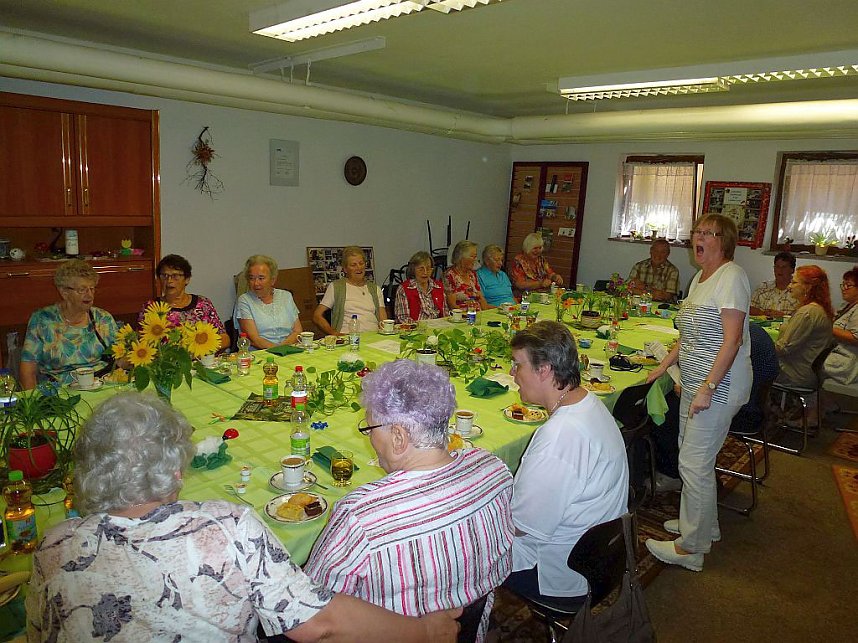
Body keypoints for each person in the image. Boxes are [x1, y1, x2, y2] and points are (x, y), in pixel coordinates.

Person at [25, 392, 461, 642]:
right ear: (176, 470)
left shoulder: (53, 546)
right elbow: (319, 623)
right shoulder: (227, 527)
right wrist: (424, 632)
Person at [305, 360, 513, 643]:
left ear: (399, 437)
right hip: (470, 632)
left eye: (370, 429)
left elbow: (312, 613)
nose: (370, 439)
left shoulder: (361, 517)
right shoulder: (493, 470)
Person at [644, 213, 752, 572]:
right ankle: (706, 525)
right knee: (690, 455)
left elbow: (732, 341)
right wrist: (664, 365)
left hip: (717, 387)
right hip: (694, 381)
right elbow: (688, 335)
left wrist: (709, 386)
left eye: (708, 233)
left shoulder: (731, 277)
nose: (698, 238)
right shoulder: (700, 278)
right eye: (697, 232)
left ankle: (691, 548)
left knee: (694, 463)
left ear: (725, 241)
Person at [503, 321, 628, 604]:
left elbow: (519, 526)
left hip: (562, 572)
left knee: (458, 545)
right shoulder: (588, 402)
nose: (513, 373)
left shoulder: (559, 437)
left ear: (544, 369)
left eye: (518, 365)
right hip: (599, 557)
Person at [20, 259, 118, 389]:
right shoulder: (42, 320)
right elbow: (28, 370)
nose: (89, 295)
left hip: (101, 385)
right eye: (82, 290)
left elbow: (120, 357)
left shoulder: (103, 318)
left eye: (92, 289)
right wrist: (31, 400)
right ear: (64, 292)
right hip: (60, 391)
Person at [138, 254, 228, 350]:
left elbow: (224, 339)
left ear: (187, 280)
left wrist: (203, 350)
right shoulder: (151, 307)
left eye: (175, 276)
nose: (169, 280)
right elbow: (141, 343)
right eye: (164, 275)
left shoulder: (203, 304)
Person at [774, 264, 834, 389]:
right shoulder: (820, 309)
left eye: (794, 282)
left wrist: (762, 347)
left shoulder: (807, 313)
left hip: (794, 373)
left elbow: (784, 348)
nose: (789, 286)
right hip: (807, 370)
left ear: (808, 287)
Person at [234, 254, 302, 349]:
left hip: (289, 349)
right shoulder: (244, 300)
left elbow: (298, 331)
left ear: (272, 280)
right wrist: (278, 351)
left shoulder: (286, 296)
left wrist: (283, 349)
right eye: (252, 278)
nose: (256, 283)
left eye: (261, 278)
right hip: (260, 353)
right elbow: (254, 339)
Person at [314, 246, 385, 335]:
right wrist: (334, 333)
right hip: (348, 338)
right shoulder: (336, 287)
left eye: (361, 263)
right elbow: (317, 316)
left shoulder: (375, 289)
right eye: (353, 265)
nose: (358, 267)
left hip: (374, 337)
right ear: (345, 269)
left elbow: (383, 320)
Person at [822, 266, 858, 388]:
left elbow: (855, 338)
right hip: (835, 352)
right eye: (843, 285)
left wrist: (827, 327)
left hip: (847, 360)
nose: (844, 289)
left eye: (849, 285)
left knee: (805, 362)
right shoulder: (846, 305)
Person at [394, 251, 448, 322]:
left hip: (438, 326)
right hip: (416, 327)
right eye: (421, 269)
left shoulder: (438, 287)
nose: (425, 272)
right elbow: (402, 318)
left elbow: (445, 313)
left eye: (428, 269)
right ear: (413, 270)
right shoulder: (404, 289)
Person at [443, 240, 492, 312]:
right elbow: (452, 306)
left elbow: (481, 299)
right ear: (461, 258)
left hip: (477, 313)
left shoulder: (472, 274)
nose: (475, 260)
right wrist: (469, 314)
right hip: (462, 315)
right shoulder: (450, 275)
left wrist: (486, 313)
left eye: (475, 256)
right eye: (472, 256)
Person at [510, 232, 563, 296]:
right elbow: (520, 284)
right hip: (524, 296)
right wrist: (540, 284)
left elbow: (550, 273)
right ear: (527, 248)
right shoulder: (518, 262)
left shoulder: (541, 259)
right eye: (535, 248)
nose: (538, 251)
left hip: (542, 294)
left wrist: (555, 277)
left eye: (540, 248)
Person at [750, 251, 799, 317]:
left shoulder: (799, 291)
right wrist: (764, 313)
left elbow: (802, 317)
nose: (780, 270)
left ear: (792, 270)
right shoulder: (763, 287)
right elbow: (750, 309)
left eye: (784, 267)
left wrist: (783, 316)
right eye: (777, 267)